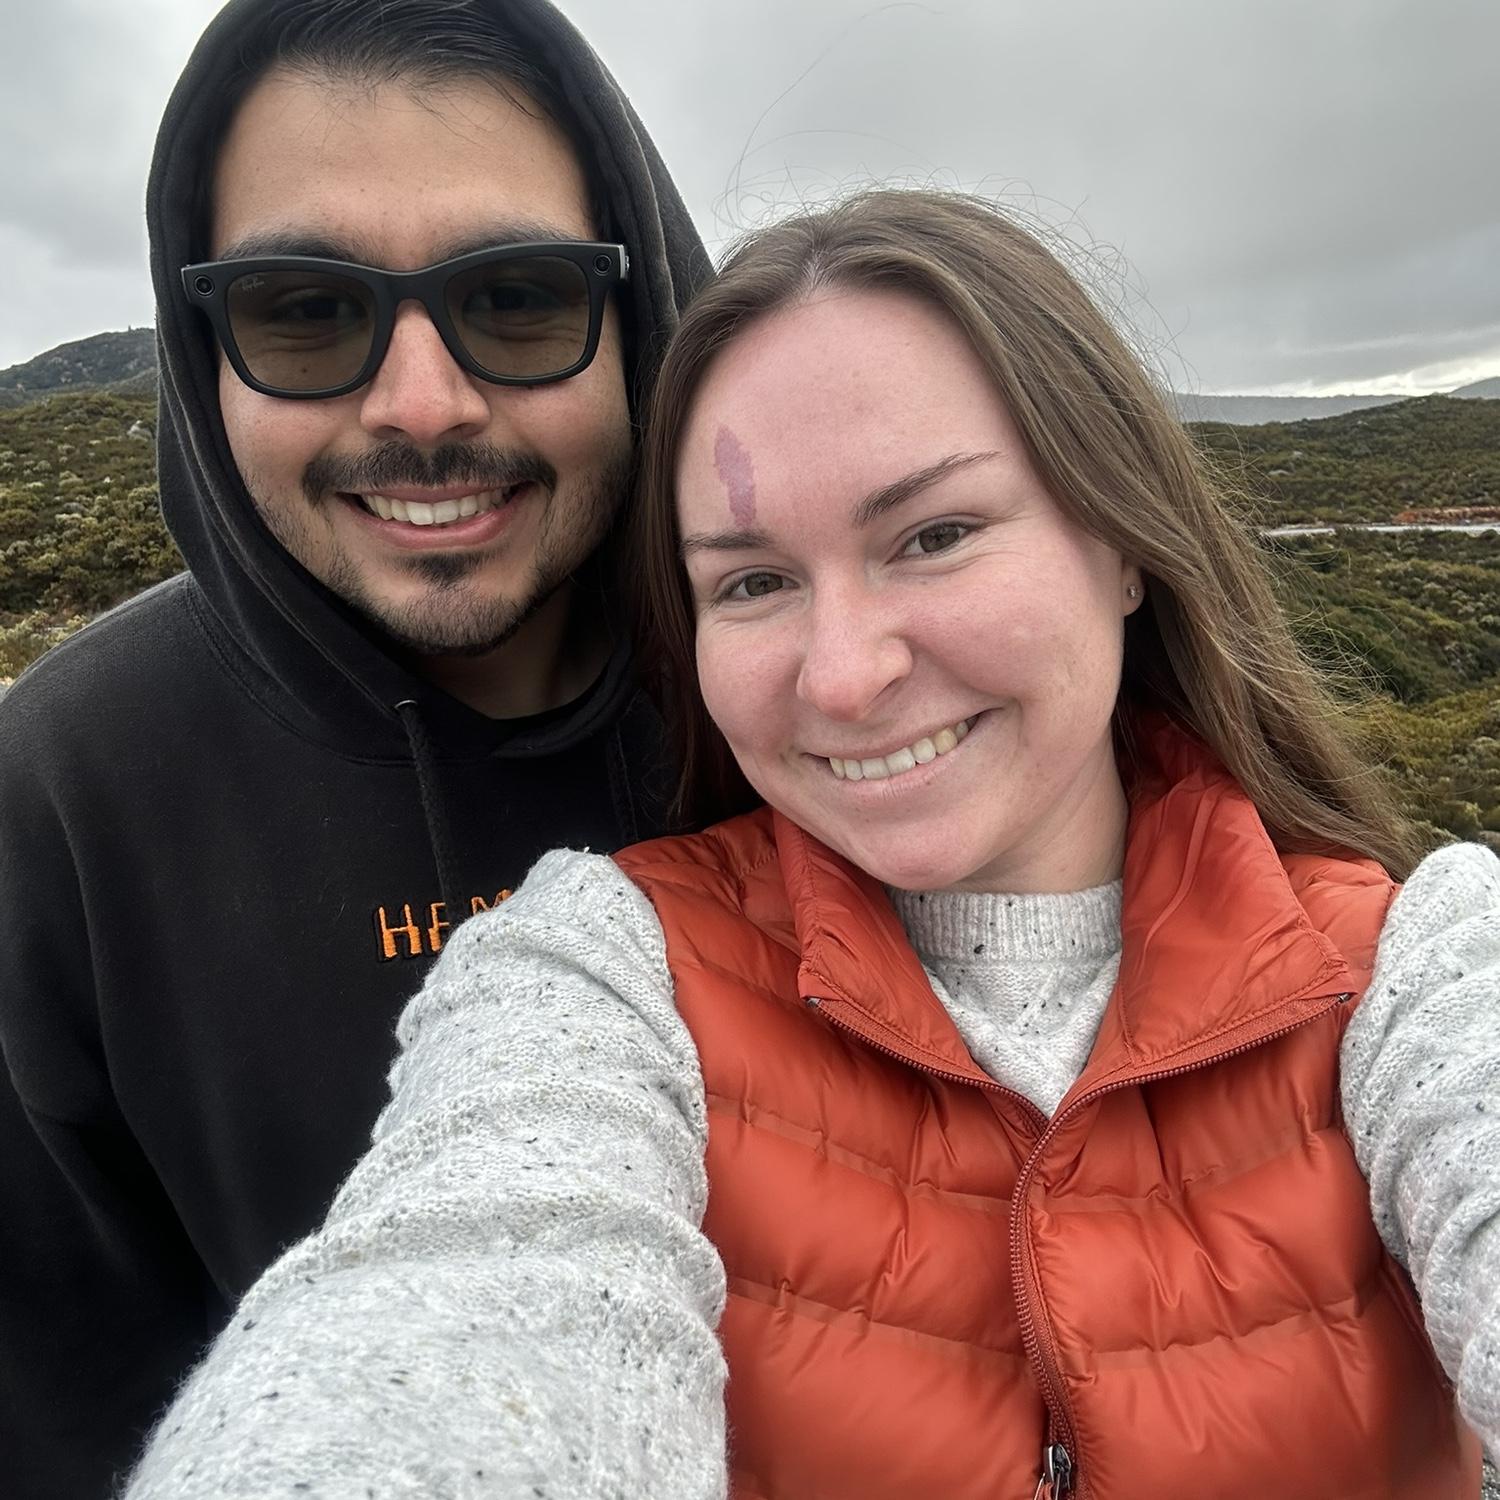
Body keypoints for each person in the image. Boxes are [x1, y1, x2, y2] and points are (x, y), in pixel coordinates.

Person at [124, 190, 1499, 1499]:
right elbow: (468, 1290)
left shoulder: (1414, 970)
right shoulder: (605, 979)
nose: (842, 677)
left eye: (936, 534)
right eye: (755, 582)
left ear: (1124, 541)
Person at [0, 1, 709, 1494]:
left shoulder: (815, 702)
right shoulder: (63, 797)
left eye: (517, 298)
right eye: (304, 312)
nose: (421, 406)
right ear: (204, 352)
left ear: (640, 318)